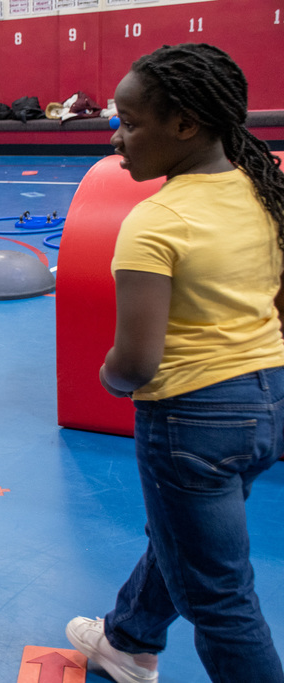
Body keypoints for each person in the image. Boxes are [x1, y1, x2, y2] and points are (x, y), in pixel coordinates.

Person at [65, 44, 284, 683]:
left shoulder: (155, 221)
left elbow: (135, 361)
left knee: (220, 599)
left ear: (186, 125)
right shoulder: (261, 190)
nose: (116, 137)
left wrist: (107, 376)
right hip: (267, 403)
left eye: (131, 124)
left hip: (191, 421)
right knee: (187, 536)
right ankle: (128, 639)